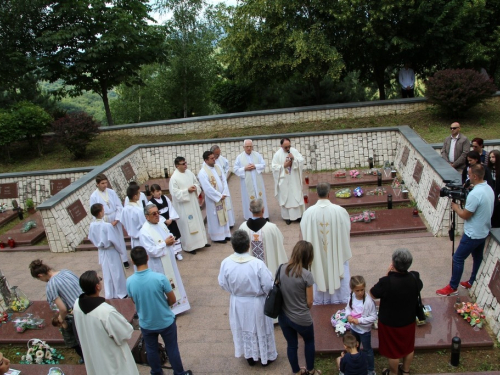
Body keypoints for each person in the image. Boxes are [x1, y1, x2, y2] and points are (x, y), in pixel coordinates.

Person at [127, 246, 193, 375]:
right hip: (165, 320)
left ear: (133, 261)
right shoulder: (160, 278)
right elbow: (172, 299)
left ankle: (156, 372)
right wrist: (164, 305)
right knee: (172, 347)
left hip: (146, 322)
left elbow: (133, 301)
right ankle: (179, 372)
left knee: (151, 349)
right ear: (147, 258)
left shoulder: (129, 282)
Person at [218, 230, 278, 367]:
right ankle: (265, 357)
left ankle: (250, 356)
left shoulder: (226, 263)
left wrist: (236, 293)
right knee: (260, 328)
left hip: (237, 302)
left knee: (244, 328)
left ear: (233, 246)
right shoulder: (257, 264)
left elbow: (222, 283)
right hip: (256, 302)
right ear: (248, 245)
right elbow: (268, 284)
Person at [436, 164, 495, 295]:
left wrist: (455, 207)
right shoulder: (488, 188)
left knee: (458, 258)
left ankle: (453, 287)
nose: (468, 177)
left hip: (473, 233)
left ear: (474, 176)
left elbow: (465, 215)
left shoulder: (475, 194)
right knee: (477, 257)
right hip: (483, 231)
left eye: (469, 174)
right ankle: (472, 281)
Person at [73, 270, 138, 375]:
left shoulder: (77, 305)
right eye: (100, 279)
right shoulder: (106, 312)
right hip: (112, 359)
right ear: (97, 286)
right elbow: (125, 333)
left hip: (93, 355)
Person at [370, 248, 422, 375]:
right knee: (408, 347)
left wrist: (388, 275)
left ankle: (393, 373)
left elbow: (372, 293)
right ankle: (405, 370)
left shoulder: (386, 282)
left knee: (393, 352)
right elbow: (419, 287)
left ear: (393, 264)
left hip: (390, 323)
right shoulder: (415, 277)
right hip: (408, 319)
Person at [300, 182, 352, 304]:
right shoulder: (340, 211)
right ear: (329, 194)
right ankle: (338, 299)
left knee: (318, 267)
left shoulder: (308, 213)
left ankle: (320, 300)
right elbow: (346, 230)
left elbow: (304, 233)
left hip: (316, 254)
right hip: (335, 253)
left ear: (317, 193)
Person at [139, 204, 190, 314]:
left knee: (174, 279)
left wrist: (171, 238)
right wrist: (165, 243)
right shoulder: (144, 231)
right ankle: (167, 310)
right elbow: (151, 251)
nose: (157, 215)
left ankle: (178, 307)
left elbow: (167, 233)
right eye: (154, 214)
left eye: (158, 212)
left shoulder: (160, 224)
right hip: (159, 265)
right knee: (163, 285)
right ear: (146, 216)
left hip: (169, 260)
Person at [278, 240, 320, 375]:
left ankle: (296, 372)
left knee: (291, 345)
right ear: (308, 257)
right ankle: (311, 370)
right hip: (301, 317)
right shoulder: (306, 275)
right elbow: (310, 302)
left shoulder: (281, 268)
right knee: (309, 341)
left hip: (284, 316)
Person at [29, 259, 84, 362]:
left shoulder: (51, 285)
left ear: (40, 275)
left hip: (77, 313)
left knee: (72, 339)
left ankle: (85, 358)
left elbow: (62, 309)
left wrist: (60, 319)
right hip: (88, 304)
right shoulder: (66, 271)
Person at [169, 156, 209, 254]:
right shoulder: (174, 178)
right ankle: (190, 247)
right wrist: (187, 190)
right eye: (183, 164)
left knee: (198, 221)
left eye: (185, 163)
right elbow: (174, 193)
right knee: (187, 225)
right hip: (184, 206)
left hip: (193, 203)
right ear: (177, 165)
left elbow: (196, 183)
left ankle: (202, 242)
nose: (185, 165)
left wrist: (195, 187)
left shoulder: (189, 173)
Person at [238, 198, 288, 277]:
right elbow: (279, 243)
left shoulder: (242, 228)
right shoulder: (272, 228)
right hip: (270, 274)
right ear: (263, 210)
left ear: (250, 210)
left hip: (250, 275)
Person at [89, 173, 129, 268]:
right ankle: (111, 259)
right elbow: (94, 210)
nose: (105, 185)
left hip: (114, 217)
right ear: (97, 184)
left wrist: (116, 219)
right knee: (108, 240)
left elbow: (119, 206)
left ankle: (124, 259)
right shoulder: (94, 196)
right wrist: (101, 222)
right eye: (102, 183)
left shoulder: (111, 192)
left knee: (119, 238)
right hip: (104, 220)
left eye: (106, 183)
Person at [88, 203, 128, 299]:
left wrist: (98, 245)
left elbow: (91, 237)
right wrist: (120, 250)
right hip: (111, 251)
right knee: (117, 272)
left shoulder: (92, 225)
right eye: (103, 210)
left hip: (102, 251)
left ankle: (110, 293)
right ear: (100, 212)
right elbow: (114, 239)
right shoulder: (107, 226)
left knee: (107, 273)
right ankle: (121, 292)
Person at [344, 276, 377, 375]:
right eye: (357, 290)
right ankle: (357, 365)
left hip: (364, 331)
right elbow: (348, 308)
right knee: (355, 348)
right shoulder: (351, 297)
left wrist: (359, 320)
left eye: (362, 290)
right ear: (352, 290)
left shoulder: (368, 301)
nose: (360, 293)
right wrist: (348, 315)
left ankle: (370, 369)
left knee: (367, 350)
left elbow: (373, 316)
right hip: (354, 329)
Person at [198, 150, 231, 244]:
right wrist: (219, 196)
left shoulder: (217, 167)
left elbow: (224, 180)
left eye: (214, 158)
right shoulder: (203, 172)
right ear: (205, 160)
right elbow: (207, 188)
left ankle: (226, 234)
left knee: (223, 214)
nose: (214, 160)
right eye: (211, 158)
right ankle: (218, 237)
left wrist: (224, 192)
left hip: (222, 196)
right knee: (215, 217)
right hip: (213, 200)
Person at [271, 137, 306, 224]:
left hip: (294, 179)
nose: (287, 149)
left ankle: (298, 216)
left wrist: (294, 159)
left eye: (289, 147)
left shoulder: (294, 151)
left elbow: (301, 161)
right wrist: (284, 166)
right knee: (286, 198)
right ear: (281, 146)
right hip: (284, 180)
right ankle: (287, 217)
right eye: (285, 147)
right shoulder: (277, 155)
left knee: (296, 196)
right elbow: (274, 168)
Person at [234, 139, 269, 220]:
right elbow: (235, 170)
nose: (249, 148)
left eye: (250, 146)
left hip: (257, 182)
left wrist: (255, 166)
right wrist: (244, 168)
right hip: (247, 184)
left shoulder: (257, 155)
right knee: (248, 198)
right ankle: (250, 216)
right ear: (243, 147)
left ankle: (264, 216)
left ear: (252, 147)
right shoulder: (239, 157)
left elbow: (263, 165)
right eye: (247, 146)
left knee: (260, 197)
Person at [150, 184, 183, 260]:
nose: (159, 193)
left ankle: (177, 253)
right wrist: (165, 221)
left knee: (175, 235)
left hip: (170, 219)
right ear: (152, 193)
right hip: (162, 223)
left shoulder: (165, 198)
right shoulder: (151, 203)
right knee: (167, 237)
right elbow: (155, 214)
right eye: (157, 191)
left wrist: (171, 218)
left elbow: (170, 207)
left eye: (160, 191)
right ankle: (171, 253)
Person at [211, 144, 235, 227]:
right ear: (212, 153)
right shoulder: (210, 162)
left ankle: (230, 222)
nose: (218, 156)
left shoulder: (222, 159)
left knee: (227, 203)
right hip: (216, 187)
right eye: (216, 154)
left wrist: (224, 175)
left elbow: (226, 167)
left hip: (224, 185)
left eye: (219, 153)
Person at [121, 185, 147, 249]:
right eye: (139, 193)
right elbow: (144, 225)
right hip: (141, 239)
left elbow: (123, 222)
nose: (140, 195)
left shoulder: (124, 210)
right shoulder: (139, 210)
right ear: (135, 196)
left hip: (133, 239)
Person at [488, 150, 500, 228]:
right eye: (490, 157)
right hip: (491, 195)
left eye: (493, 157)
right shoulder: (488, 169)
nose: (491, 159)